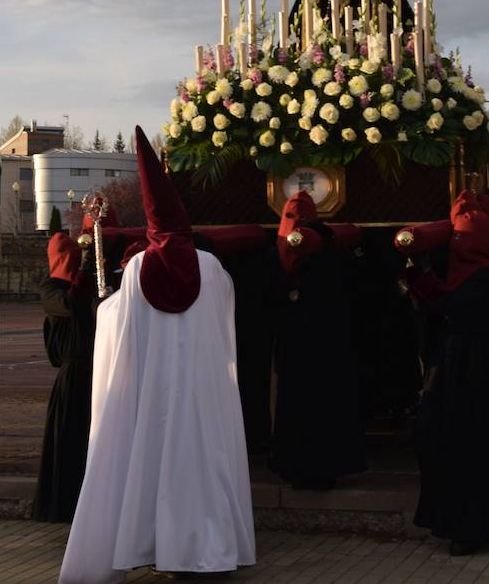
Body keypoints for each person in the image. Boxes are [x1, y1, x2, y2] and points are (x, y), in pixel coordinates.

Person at [59, 127, 254, 583]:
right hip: (202, 392)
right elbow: (224, 322)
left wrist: (105, 306)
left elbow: (120, 326)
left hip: (151, 392)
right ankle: (207, 553)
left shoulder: (138, 269)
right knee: (203, 465)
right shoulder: (212, 267)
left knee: (147, 465)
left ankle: (154, 546)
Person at [404, 193, 489, 556]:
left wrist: (421, 277)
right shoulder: (477, 272)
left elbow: (452, 306)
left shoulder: (487, 277)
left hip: (475, 368)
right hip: (462, 364)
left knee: (475, 443)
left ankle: (475, 527)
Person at [269, 191, 366, 489]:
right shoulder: (324, 251)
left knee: (317, 404)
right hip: (307, 342)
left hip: (318, 343)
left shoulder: (328, 249)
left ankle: (316, 468)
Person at [32, 229, 93, 523]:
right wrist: (84, 272)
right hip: (73, 374)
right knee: (69, 441)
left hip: (96, 371)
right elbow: (71, 304)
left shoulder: (87, 284)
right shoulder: (51, 288)